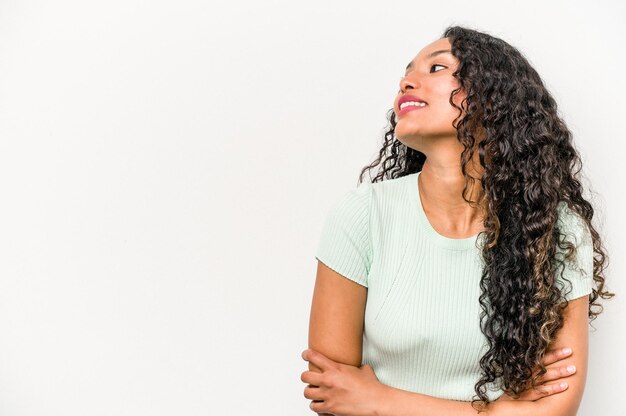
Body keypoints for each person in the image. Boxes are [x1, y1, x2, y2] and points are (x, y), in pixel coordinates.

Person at [300, 26, 613, 416]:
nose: (406, 81)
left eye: (436, 68)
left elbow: (554, 410)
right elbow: (331, 393)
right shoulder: (363, 214)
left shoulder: (556, 228)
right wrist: (499, 410)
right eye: (407, 72)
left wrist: (380, 402)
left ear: (492, 97)